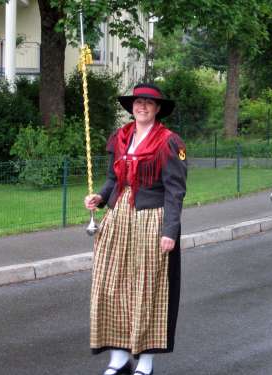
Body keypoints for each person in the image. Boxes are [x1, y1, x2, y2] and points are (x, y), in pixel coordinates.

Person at [84, 83, 187, 375]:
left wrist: (170, 230)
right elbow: (113, 179)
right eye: (138, 102)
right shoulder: (121, 137)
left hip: (151, 219)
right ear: (131, 107)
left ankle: (146, 362)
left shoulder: (169, 142)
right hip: (118, 217)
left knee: (148, 289)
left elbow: (175, 191)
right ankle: (118, 359)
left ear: (157, 109)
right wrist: (100, 198)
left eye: (148, 103)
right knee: (111, 285)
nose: (141, 107)